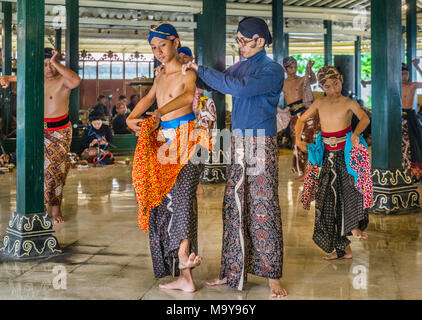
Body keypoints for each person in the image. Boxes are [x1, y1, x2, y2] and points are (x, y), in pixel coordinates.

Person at [182, 17, 287, 298]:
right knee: (234, 208)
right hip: (238, 142)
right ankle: (231, 271)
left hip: (261, 142)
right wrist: (188, 63)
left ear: (260, 41)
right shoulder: (238, 67)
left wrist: (201, 69)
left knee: (263, 208)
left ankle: (272, 276)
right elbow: (216, 82)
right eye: (237, 40)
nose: (240, 45)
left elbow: (237, 87)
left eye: (244, 40)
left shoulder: (272, 70)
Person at [126, 22, 209, 293]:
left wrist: (161, 112)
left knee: (183, 194)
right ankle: (184, 273)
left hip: (190, 140)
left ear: (175, 42)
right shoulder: (159, 74)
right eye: (153, 47)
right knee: (164, 201)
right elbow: (149, 97)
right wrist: (130, 117)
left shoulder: (188, 71)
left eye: (162, 45)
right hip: (165, 142)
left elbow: (186, 98)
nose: (158, 51)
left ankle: (184, 256)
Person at [296, 66, 371, 260]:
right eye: (327, 86)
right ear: (321, 87)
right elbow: (301, 120)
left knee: (349, 190)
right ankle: (342, 248)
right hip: (327, 155)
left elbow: (364, 119)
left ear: (342, 80)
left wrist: (355, 134)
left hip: (345, 154)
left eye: (336, 83)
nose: (333, 89)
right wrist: (298, 140)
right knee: (327, 200)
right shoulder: (320, 103)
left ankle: (353, 226)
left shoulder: (348, 102)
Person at [0, 48, 81, 224]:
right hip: (38, 130)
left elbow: (76, 80)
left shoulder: (64, 80)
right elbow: (15, 78)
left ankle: (55, 208)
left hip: (60, 131)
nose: (49, 68)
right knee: (38, 170)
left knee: (56, 172)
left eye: (52, 64)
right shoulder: (36, 79)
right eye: (45, 64)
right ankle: (41, 207)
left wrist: (55, 61)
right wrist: (6, 78)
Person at [362, 59, 422, 179]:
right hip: (396, 118)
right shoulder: (393, 85)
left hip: (410, 118)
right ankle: (400, 170)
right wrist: (366, 82)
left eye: (406, 74)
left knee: (414, 142)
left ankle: (414, 172)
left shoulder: (412, 85)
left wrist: (417, 67)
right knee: (398, 144)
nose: (405, 76)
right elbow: (378, 82)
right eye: (402, 74)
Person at [282, 56, 320, 177]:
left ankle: (312, 171)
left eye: (295, 67)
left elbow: (313, 80)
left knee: (308, 140)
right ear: (285, 69)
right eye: (291, 68)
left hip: (306, 113)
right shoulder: (282, 83)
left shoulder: (301, 79)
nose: (294, 70)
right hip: (293, 116)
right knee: (296, 143)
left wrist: (309, 69)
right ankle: (301, 173)